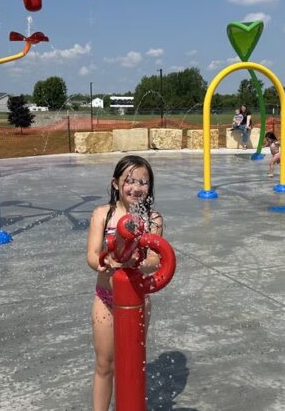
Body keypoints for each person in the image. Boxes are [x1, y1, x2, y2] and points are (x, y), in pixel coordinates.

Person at [85, 155, 164, 411]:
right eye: (129, 181)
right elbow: (91, 254)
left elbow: (155, 260)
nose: (136, 187)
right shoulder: (102, 214)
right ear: (115, 184)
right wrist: (102, 262)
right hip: (106, 299)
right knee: (105, 364)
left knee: (130, 363)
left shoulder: (152, 219)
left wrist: (136, 263)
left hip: (137, 302)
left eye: (143, 182)